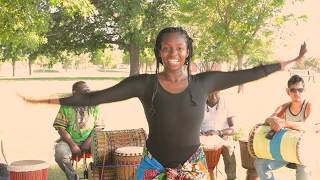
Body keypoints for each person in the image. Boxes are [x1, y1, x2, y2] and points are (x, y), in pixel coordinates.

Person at [20, 27, 306, 179]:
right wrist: (47, 100)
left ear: (188, 52)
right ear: (158, 52)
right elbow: (95, 97)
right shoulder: (144, 85)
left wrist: (289, 62)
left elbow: (250, 73)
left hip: (193, 168)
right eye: (167, 48)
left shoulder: (205, 83)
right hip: (151, 166)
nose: (173, 53)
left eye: (179, 48)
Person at [255, 75, 313, 180]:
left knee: (304, 167)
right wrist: (271, 120)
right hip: (287, 150)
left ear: (304, 90)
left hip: (306, 150)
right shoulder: (284, 107)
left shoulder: (309, 106)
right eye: (293, 90)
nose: (297, 93)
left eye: (300, 90)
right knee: (260, 163)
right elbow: (267, 120)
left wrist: (285, 123)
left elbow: (309, 126)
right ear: (288, 92)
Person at [53, 81, 104, 180]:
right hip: (69, 141)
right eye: (85, 91)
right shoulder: (66, 106)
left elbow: (98, 127)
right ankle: (74, 178)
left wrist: (88, 142)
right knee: (60, 154)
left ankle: (97, 176)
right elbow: (60, 128)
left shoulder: (95, 105)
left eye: (88, 90)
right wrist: (72, 145)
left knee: (105, 152)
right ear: (74, 93)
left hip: (91, 140)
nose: (88, 93)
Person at [200, 91, 237, 180]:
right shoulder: (199, 103)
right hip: (203, 139)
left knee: (229, 150)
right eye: (210, 92)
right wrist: (200, 133)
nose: (212, 95)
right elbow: (192, 124)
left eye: (215, 92)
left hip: (222, 138)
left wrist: (218, 132)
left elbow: (234, 128)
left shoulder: (226, 102)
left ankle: (231, 178)